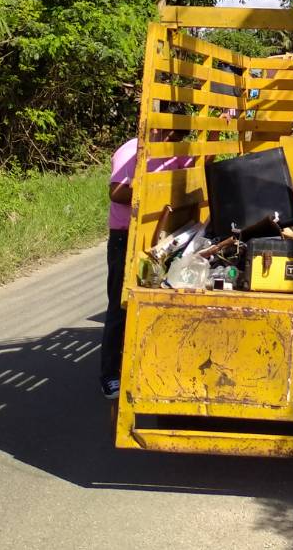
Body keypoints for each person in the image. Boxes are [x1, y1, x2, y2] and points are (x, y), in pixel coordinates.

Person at [99, 135, 194, 399]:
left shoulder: (179, 152)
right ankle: (109, 375)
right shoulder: (131, 151)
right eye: (173, 133)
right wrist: (156, 190)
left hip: (162, 237)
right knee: (120, 305)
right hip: (126, 237)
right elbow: (117, 191)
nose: (177, 138)